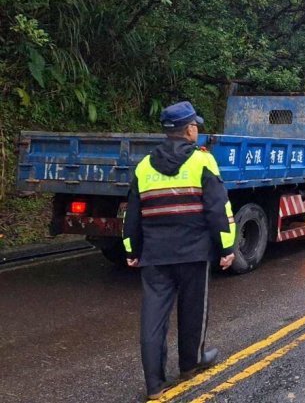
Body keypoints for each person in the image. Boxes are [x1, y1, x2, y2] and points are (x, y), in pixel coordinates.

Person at [122, 101, 236, 400]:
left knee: (152, 318)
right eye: (195, 126)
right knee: (193, 311)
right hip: (194, 253)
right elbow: (217, 210)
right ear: (189, 130)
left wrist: (132, 249)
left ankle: (154, 384)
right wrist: (226, 247)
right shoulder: (203, 161)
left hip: (156, 256)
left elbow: (132, 214)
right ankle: (190, 364)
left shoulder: (144, 166)